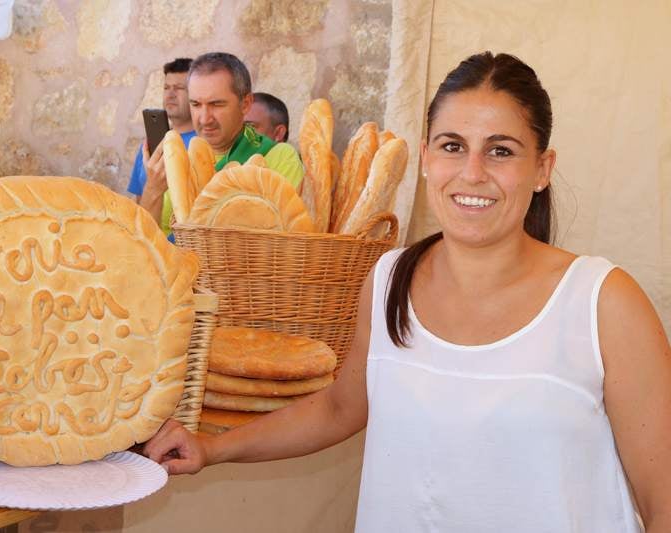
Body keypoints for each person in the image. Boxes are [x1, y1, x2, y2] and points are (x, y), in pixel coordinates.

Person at [144, 52, 671, 532]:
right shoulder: (389, 279)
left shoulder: (602, 302)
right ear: (425, 157)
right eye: (452, 146)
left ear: (542, 169)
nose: (472, 173)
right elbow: (339, 409)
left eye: (501, 151)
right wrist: (211, 448)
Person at [142, 53, 305, 236]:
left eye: (216, 104)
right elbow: (149, 243)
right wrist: (153, 188)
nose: (204, 119)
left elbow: (289, 242)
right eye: (195, 104)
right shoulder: (182, 161)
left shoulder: (279, 156)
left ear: (245, 104)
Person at [129, 58, 196, 239]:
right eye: (166, 88)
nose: (170, 94)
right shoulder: (149, 146)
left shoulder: (204, 144)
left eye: (180, 88)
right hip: (151, 247)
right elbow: (138, 205)